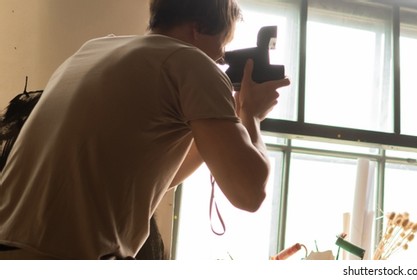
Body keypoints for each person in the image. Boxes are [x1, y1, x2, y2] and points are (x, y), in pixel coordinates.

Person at [0, 0, 290, 259]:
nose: (221, 59)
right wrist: (251, 115)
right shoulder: (193, 62)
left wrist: (220, 120)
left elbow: (160, 176)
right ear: (198, 28)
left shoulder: (94, 49)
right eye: (221, 46)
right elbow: (250, 194)